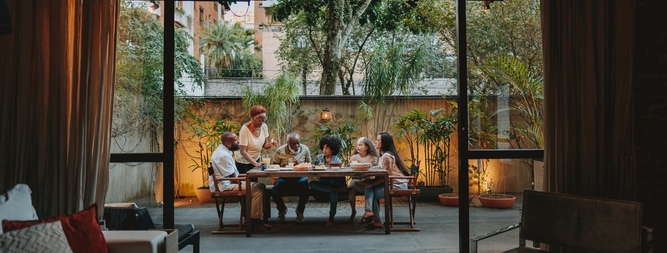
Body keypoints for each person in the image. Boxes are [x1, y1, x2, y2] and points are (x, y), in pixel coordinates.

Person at [210, 131, 271, 231]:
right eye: (235, 140)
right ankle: (254, 221)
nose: (238, 141)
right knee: (257, 188)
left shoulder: (224, 151)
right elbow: (233, 178)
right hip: (224, 186)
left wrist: (245, 181)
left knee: (258, 186)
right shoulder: (223, 155)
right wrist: (244, 182)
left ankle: (251, 218)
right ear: (228, 143)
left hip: (226, 182)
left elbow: (232, 176)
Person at [363, 132, 410, 229]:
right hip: (394, 184)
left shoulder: (386, 156)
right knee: (369, 187)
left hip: (397, 186)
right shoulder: (384, 155)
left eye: (378, 140)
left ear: (384, 143)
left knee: (369, 190)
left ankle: (374, 217)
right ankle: (372, 215)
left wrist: (373, 182)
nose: (375, 142)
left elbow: (385, 176)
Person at [271, 133, 312, 222]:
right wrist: (283, 166)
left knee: (305, 189)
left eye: (298, 143)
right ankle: (282, 210)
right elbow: (274, 166)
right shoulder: (280, 151)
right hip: (284, 177)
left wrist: (301, 165)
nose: (296, 145)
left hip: (300, 177)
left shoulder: (305, 149)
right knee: (275, 190)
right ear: (288, 142)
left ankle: (300, 210)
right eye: (293, 143)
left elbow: (310, 165)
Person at [307, 135, 345, 227]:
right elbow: (314, 168)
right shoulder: (319, 158)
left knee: (334, 193)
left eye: (327, 148)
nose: (324, 150)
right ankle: (331, 189)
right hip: (323, 183)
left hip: (333, 181)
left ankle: (331, 217)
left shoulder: (336, 160)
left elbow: (339, 173)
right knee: (311, 184)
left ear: (332, 149)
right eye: (323, 147)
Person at [235, 105, 278, 175]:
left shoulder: (264, 127)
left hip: (256, 159)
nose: (261, 122)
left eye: (263, 120)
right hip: (243, 162)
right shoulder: (245, 130)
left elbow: (264, 145)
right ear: (252, 118)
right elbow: (243, 151)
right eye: (259, 120)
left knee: (254, 183)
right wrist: (255, 163)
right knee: (246, 183)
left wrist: (271, 144)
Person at [346, 137, 379, 223]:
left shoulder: (373, 158)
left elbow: (374, 172)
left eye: (360, 145)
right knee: (351, 186)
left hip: (369, 180)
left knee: (369, 185)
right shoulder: (353, 158)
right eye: (357, 145)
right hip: (358, 180)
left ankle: (372, 214)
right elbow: (350, 172)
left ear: (366, 147)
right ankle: (353, 211)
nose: (358, 147)